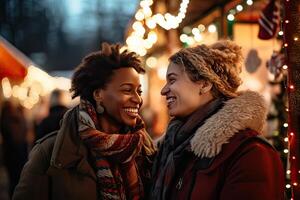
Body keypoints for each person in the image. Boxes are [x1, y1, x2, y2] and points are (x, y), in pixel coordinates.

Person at [13, 43, 156, 200]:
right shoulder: (49, 153)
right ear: (98, 94)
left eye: (139, 91)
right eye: (127, 90)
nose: (138, 99)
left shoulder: (145, 148)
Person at [150, 40, 285, 200]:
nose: (163, 90)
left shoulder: (251, 153)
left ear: (205, 84)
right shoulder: (172, 147)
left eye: (172, 80)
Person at [0, 100, 29, 198]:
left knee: (12, 179)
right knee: (20, 178)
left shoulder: (5, 120)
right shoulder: (20, 118)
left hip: (10, 153)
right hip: (21, 152)